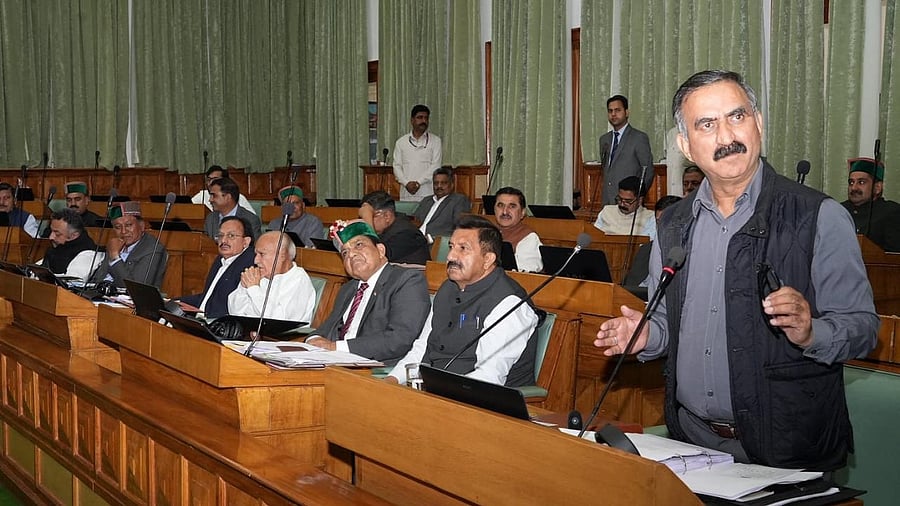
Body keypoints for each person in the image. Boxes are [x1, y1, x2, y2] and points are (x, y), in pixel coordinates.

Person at [594, 70, 878, 471]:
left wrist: (812, 331)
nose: (726, 136)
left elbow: (863, 328)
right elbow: (667, 320)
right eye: (706, 124)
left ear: (758, 124)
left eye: (737, 117)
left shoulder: (819, 216)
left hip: (786, 449)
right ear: (686, 145)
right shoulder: (671, 224)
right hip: (691, 443)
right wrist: (644, 335)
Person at [387, 215, 539, 387]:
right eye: (451, 246)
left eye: (463, 248)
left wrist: (436, 394)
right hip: (436, 390)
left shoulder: (508, 303)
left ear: (488, 259)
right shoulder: (447, 288)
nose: (451, 256)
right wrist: (391, 381)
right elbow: (422, 349)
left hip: (483, 402)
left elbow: (490, 376)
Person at [305, 220, 430, 367]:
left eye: (359, 245)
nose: (351, 254)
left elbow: (399, 339)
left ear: (381, 250)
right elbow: (325, 329)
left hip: (376, 370)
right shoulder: (348, 288)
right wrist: (312, 341)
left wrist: (335, 348)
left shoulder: (406, 280)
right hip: (336, 364)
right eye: (345, 253)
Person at [227, 231, 316, 322]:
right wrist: (243, 287)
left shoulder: (298, 279)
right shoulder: (259, 274)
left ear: (282, 255)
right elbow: (235, 312)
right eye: (256, 254)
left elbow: (278, 320)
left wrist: (253, 288)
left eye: (262, 254)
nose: (255, 260)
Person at [177, 216, 256, 319]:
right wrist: (176, 301)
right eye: (220, 235)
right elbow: (208, 297)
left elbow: (227, 304)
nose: (223, 240)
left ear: (246, 241)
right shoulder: (221, 259)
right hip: (202, 319)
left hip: (220, 325)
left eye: (231, 236)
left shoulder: (250, 262)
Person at [90, 201, 168, 288]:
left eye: (128, 225)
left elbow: (136, 288)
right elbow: (98, 278)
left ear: (142, 226)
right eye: (118, 227)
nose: (123, 231)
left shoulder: (153, 249)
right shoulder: (115, 244)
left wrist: (115, 258)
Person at [599, 95, 654, 205]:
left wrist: (638, 195)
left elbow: (647, 171)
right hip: (608, 202)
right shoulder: (604, 140)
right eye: (610, 111)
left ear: (627, 112)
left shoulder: (639, 137)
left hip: (629, 202)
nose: (613, 114)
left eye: (617, 110)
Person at [840, 157, 900, 252]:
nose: (854, 188)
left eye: (861, 182)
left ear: (877, 187)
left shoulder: (891, 212)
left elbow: (893, 258)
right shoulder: (839, 210)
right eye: (851, 182)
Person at [359, 191, 430, 265]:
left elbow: (375, 256)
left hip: (411, 275)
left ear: (387, 216)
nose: (365, 221)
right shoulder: (383, 230)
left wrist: (367, 217)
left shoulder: (407, 233)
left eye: (370, 216)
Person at [391, 104, 443, 202]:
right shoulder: (401, 142)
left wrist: (418, 183)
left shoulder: (436, 141)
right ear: (412, 120)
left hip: (427, 192)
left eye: (426, 118)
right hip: (407, 192)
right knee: (406, 217)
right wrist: (406, 183)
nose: (423, 121)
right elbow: (397, 167)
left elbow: (436, 166)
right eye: (420, 117)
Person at [37, 209, 102, 281]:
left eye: (57, 234)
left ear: (74, 235)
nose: (51, 237)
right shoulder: (58, 247)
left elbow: (70, 283)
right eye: (51, 231)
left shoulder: (87, 254)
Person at [413, 167, 471, 239]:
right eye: (436, 183)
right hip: (416, 239)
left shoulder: (459, 200)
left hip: (436, 242)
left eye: (443, 183)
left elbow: (460, 226)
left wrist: (432, 239)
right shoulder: (426, 200)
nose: (439, 186)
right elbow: (415, 221)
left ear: (452, 185)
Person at [494, 187, 542, 273]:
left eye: (512, 206)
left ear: (522, 213)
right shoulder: (486, 231)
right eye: (500, 205)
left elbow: (525, 276)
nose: (505, 211)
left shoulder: (529, 238)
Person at [191, 165, 257, 214]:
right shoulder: (202, 195)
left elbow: (252, 218)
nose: (211, 183)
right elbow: (188, 209)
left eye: (215, 179)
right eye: (209, 180)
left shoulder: (238, 197)